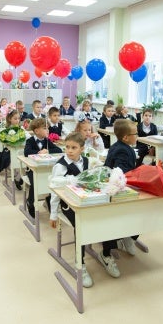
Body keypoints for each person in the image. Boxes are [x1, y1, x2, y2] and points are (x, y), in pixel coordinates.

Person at [48, 132, 94, 287]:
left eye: (74, 147)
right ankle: (79, 263)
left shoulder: (86, 161)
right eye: (67, 147)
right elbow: (54, 190)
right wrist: (53, 214)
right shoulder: (60, 165)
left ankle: (104, 250)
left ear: (82, 148)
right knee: (81, 225)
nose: (69, 150)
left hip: (83, 200)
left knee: (97, 218)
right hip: (68, 205)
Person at [99, 118, 139, 277]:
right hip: (117, 191)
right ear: (126, 137)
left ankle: (128, 237)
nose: (138, 136)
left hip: (119, 187)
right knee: (114, 221)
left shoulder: (121, 146)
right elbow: (122, 174)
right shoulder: (123, 150)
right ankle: (106, 253)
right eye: (135, 134)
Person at [23, 118, 62, 217]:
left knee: (52, 180)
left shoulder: (47, 141)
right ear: (36, 131)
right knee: (35, 183)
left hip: (46, 168)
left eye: (48, 128)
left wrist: (48, 151)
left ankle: (49, 198)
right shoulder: (30, 140)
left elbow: (58, 149)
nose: (47, 130)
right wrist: (38, 153)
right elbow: (26, 152)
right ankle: (30, 202)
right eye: (45, 128)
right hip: (32, 169)